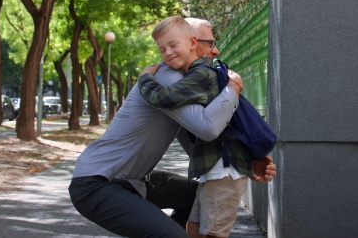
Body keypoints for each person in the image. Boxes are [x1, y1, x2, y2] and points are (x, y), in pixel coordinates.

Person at [69, 17, 276, 237]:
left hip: (133, 180)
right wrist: (233, 87)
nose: (216, 52)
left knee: (193, 198)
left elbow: (197, 143)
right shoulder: (168, 77)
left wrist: (241, 164)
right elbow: (207, 129)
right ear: (192, 42)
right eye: (211, 43)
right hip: (98, 183)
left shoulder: (188, 83)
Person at [137, 16, 258, 238]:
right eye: (162, 50)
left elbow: (162, 97)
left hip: (225, 169)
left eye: (173, 45)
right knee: (193, 228)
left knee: (212, 233)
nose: (167, 54)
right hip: (214, 169)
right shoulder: (194, 74)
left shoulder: (201, 74)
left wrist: (144, 78)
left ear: (192, 42)